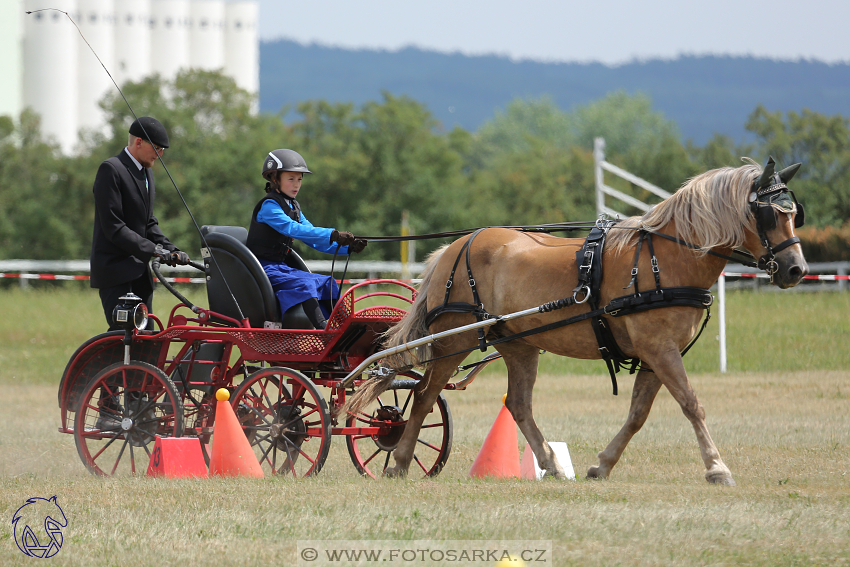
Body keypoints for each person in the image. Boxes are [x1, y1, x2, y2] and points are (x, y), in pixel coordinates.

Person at [246, 149, 367, 329]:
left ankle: (346, 327)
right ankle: (324, 329)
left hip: (281, 268)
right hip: (263, 269)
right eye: (291, 179)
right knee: (306, 282)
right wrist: (333, 234)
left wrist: (347, 248)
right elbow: (294, 229)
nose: (296, 184)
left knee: (328, 282)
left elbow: (312, 236)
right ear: (274, 179)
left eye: (300, 179)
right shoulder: (269, 206)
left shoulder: (294, 207)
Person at [90, 116, 189, 331]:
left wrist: (171, 249)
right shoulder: (111, 170)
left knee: (146, 338)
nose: (160, 155)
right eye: (157, 148)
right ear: (138, 142)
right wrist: (153, 250)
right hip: (115, 273)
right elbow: (114, 227)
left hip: (139, 273)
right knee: (124, 336)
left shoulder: (146, 173)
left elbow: (148, 222)